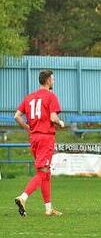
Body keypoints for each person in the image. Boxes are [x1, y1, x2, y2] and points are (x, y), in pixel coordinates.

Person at [14, 70, 65, 217]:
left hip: (34, 138)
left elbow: (17, 116)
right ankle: (23, 197)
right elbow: (53, 118)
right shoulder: (51, 96)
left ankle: (48, 209)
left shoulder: (29, 97)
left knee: (46, 173)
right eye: (53, 79)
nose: (53, 82)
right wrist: (61, 123)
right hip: (45, 138)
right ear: (48, 80)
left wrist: (27, 127)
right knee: (42, 172)